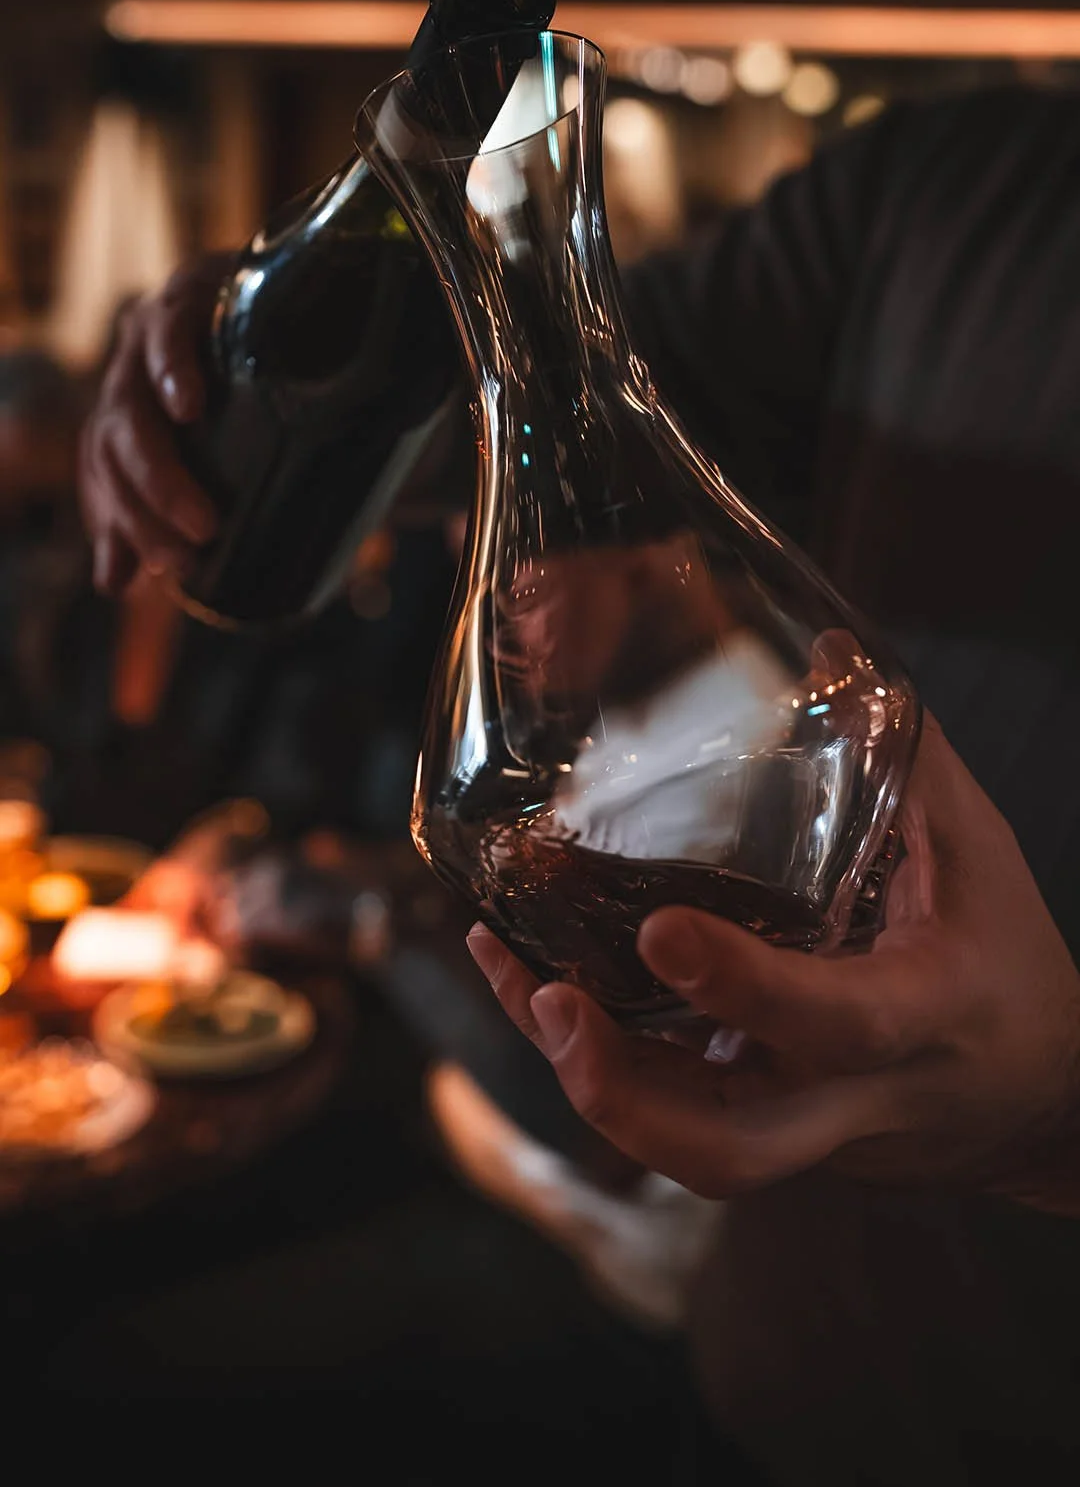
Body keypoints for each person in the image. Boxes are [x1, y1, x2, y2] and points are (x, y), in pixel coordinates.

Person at [76, 76, 1080, 1483]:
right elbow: (537, 387)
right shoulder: (976, 176)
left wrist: (1051, 1125)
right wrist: (252, 364)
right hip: (787, 1358)